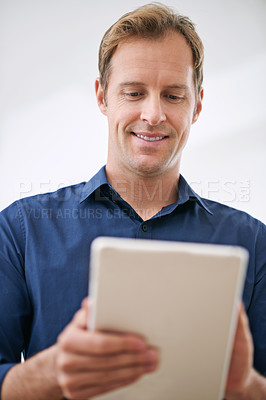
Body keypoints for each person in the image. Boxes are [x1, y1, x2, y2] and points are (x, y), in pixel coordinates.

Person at [0, 3, 265, 399]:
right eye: (134, 92)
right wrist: (50, 373)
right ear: (102, 96)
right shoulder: (21, 228)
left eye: (174, 95)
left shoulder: (254, 241)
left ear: (198, 105)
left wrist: (246, 387)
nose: (153, 114)